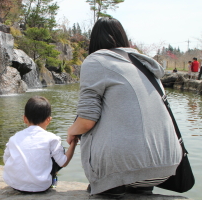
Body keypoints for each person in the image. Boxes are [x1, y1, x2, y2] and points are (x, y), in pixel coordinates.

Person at [67, 17, 182, 197]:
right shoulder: (144, 64)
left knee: (82, 122)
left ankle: (111, 184)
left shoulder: (96, 60)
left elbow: (87, 119)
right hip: (167, 166)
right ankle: (140, 186)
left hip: (124, 167)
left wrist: (72, 131)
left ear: (94, 40)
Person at [3, 96, 78, 193]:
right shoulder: (52, 138)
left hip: (14, 184)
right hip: (41, 186)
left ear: (25, 119)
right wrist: (74, 143)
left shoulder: (14, 138)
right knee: (58, 151)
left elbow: (6, 159)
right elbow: (63, 162)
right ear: (48, 120)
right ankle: (53, 180)